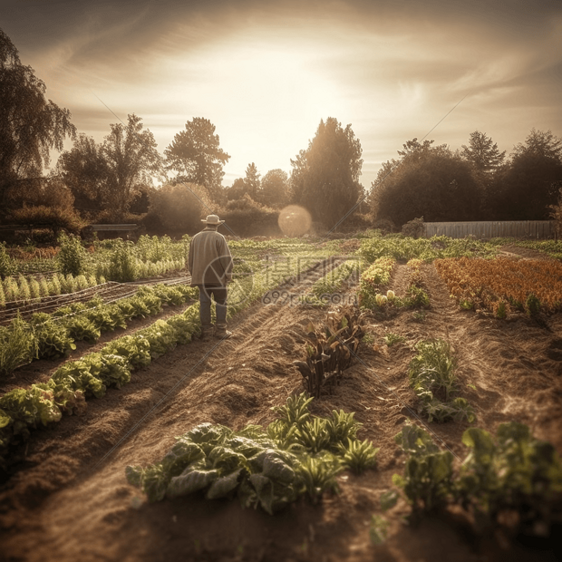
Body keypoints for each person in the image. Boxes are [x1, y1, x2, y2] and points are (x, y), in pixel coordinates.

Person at [188, 214, 234, 339]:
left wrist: (194, 275)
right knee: (221, 302)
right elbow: (226, 259)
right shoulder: (219, 237)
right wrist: (228, 274)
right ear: (217, 225)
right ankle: (220, 331)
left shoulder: (195, 238)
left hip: (200, 278)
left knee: (204, 303)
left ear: (206, 224)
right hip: (217, 277)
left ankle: (206, 332)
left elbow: (190, 261)